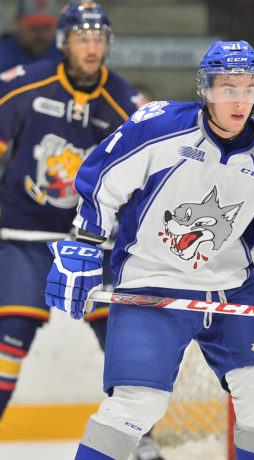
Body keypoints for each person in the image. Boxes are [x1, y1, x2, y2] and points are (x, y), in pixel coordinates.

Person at [44, 39, 254, 460]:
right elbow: (102, 181)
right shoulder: (157, 127)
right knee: (136, 406)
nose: (239, 100)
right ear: (207, 89)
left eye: (248, 88)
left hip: (233, 287)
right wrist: (84, 246)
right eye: (228, 88)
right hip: (153, 282)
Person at [0, 2, 167, 460]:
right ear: (64, 42)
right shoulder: (26, 83)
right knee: (9, 337)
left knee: (122, 338)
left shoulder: (124, 102)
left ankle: (140, 441)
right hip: (25, 235)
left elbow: (146, 178)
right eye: (82, 38)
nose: (91, 47)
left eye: (98, 39)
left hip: (91, 242)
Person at [0, 0, 62, 73]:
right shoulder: (3, 55)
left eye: (46, 27)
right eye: (34, 27)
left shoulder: (63, 52)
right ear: (17, 23)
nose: (40, 34)